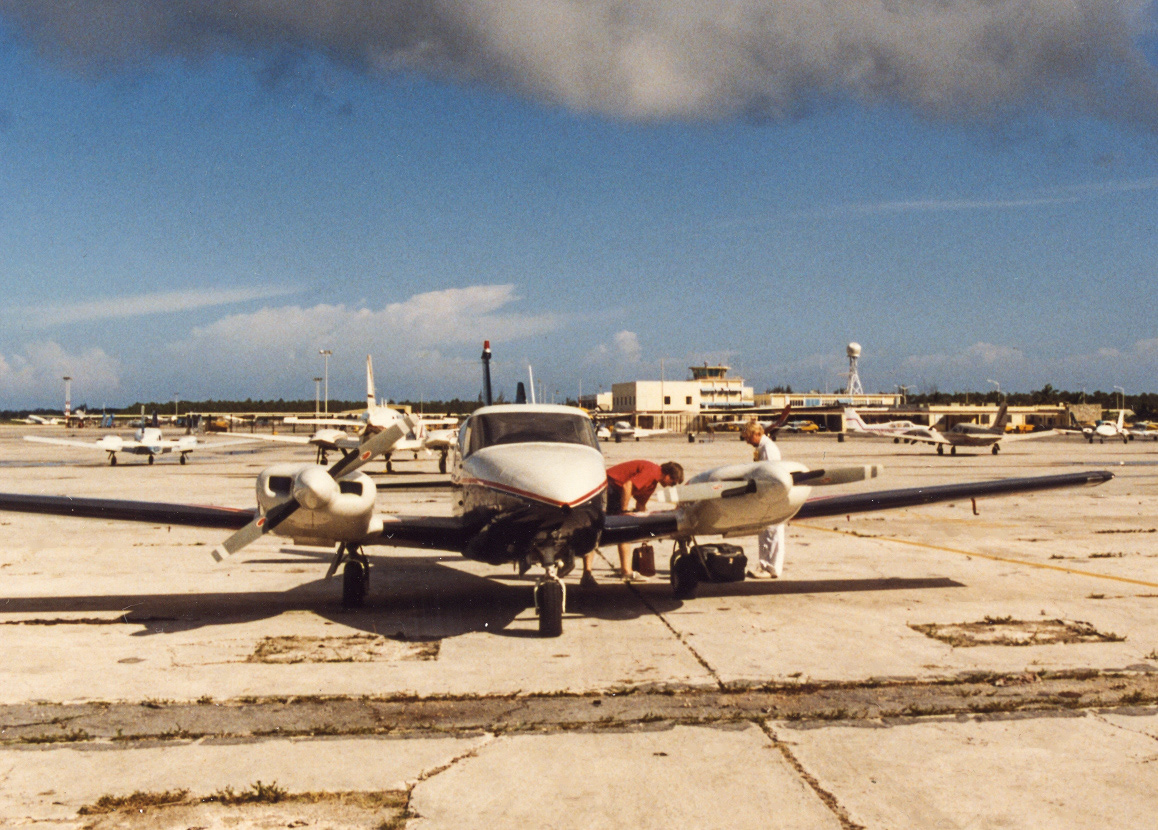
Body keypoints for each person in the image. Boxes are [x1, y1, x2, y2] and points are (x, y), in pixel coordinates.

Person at [580, 459, 684, 586]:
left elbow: (640, 505)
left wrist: (646, 530)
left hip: (614, 490)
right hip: (608, 486)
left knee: (619, 530)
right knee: (597, 528)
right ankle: (591, 573)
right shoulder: (652, 472)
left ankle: (620, 570)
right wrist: (624, 511)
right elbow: (627, 486)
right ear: (668, 476)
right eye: (673, 483)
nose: (670, 486)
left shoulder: (652, 483)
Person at [741, 420, 786, 579]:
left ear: (756, 434)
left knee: (772, 532)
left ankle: (771, 568)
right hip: (766, 496)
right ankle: (765, 565)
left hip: (771, 496)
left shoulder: (768, 449)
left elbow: (771, 475)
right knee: (766, 532)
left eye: (748, 437)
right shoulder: (762, 448)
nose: (747, 441)